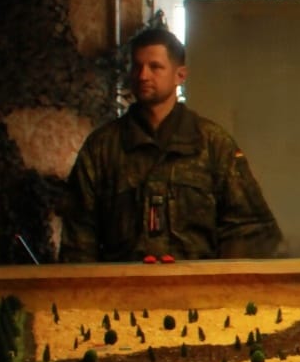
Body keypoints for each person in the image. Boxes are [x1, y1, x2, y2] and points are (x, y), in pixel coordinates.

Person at [60, 26, 281, 262]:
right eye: (137, 66)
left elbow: (250, 230)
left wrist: (221, 285)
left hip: (198, 289)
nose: (143, 75)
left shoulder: (212, 143)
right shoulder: (102, 147)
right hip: (124, 289)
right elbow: (79, 237)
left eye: (155, 67)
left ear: (180, 75)